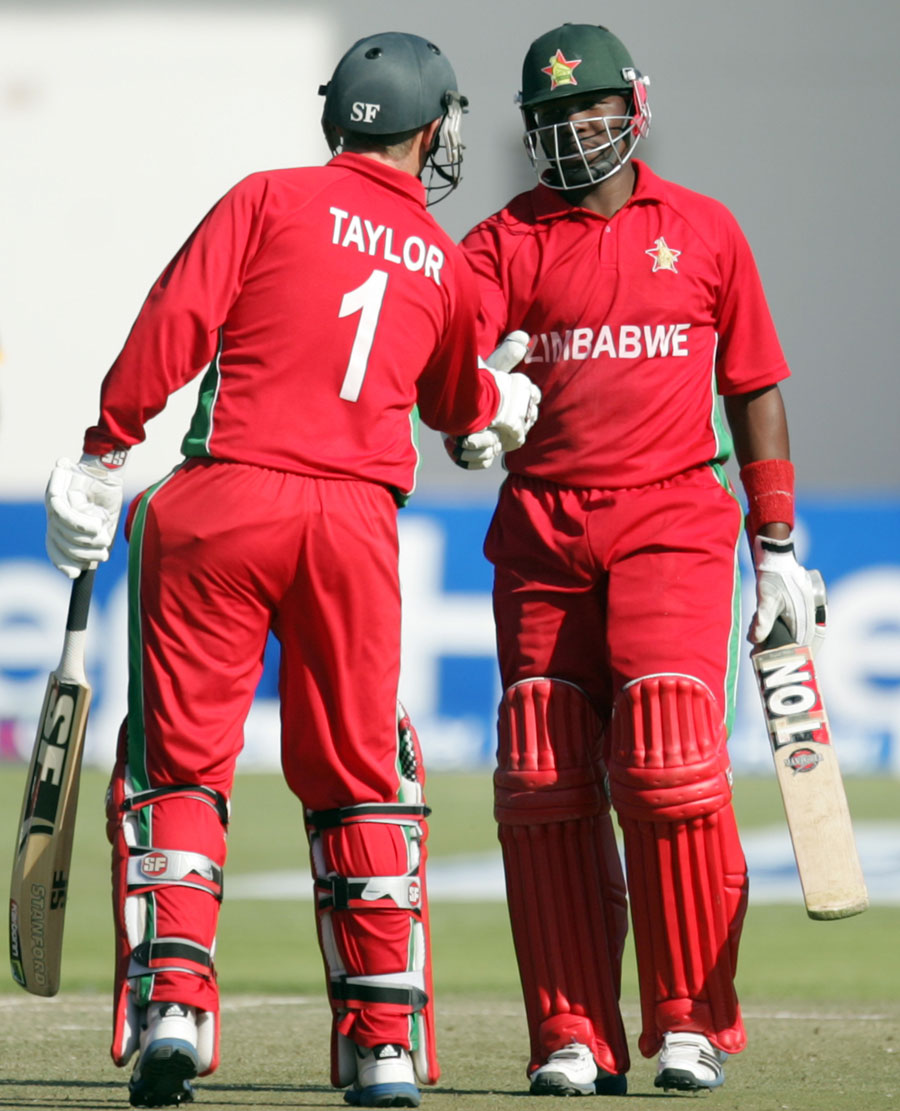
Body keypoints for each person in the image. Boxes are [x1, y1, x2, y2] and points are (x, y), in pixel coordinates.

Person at [43, 31, 539, 1110]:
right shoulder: (444, 262)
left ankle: (173, 1003)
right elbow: (460, 414)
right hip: (354, 522)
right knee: (364, 771)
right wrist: (503, 406)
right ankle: (382, 1044)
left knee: (181, 760)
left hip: (222, 503)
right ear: (429, 128)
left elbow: (173, 324)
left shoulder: (266, 197)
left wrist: (101, 447)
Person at [449, 21, 822, 1097]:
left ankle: (688, 1019)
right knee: (543, 776)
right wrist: (474, 413)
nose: (574, 129)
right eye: (553, 116)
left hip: (673, 517)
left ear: (636, 105)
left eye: (592, 106)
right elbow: (456, 366)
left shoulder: (705, 230)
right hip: (543, 528)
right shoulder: (499, 242)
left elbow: (753, 385)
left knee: (665, 759)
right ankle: (572, 1031)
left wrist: (780, 544)